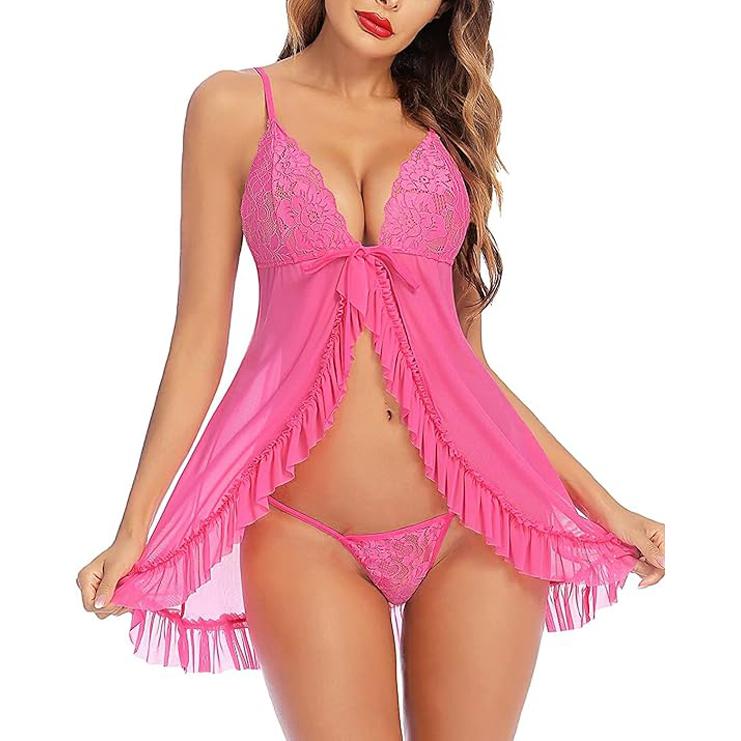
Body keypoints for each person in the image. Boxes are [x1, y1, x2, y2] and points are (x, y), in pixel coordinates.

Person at [76, 1, 665, 738]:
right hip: (305, 534)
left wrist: (603, 505)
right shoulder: (231, 106)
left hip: (474, 523)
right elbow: (199, 338)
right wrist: (133, 528)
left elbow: (466, 367)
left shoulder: (448, 133)